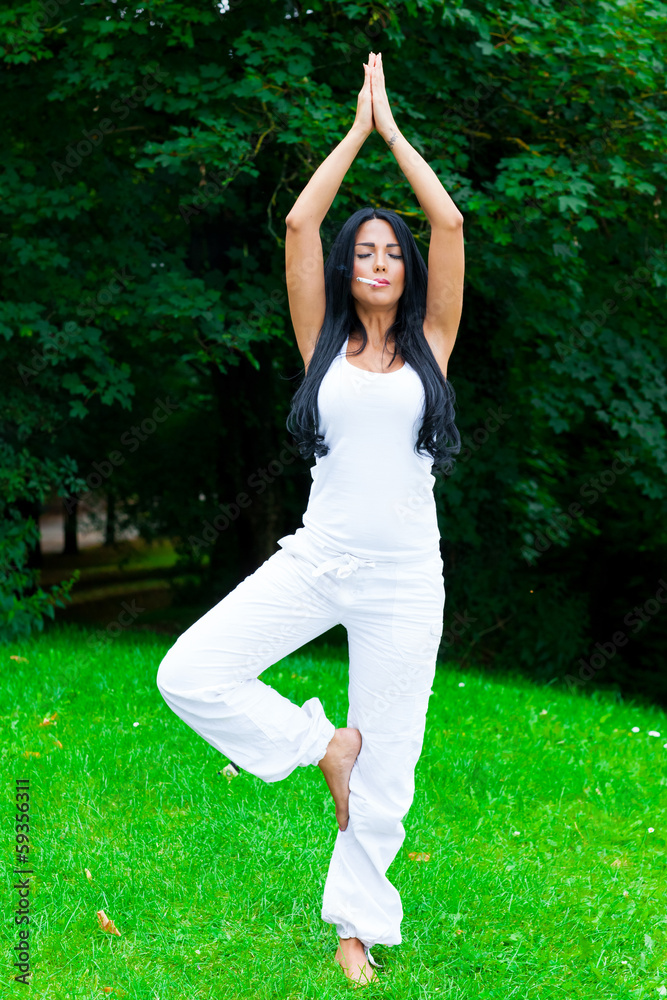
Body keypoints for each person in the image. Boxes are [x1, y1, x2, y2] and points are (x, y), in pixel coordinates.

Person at [156, 51, 464, 988]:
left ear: (408, 272)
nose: (379, 261)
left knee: (390, 767)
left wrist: (393, 133)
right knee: (189, 672)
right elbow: (298, 221)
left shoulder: (433, 346)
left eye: (391, 252)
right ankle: (319, 746)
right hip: (319, 559)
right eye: (363, 251)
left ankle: (355, 930)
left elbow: (448, 222)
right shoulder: (318, 345)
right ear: (345, 268)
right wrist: (354, 131)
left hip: (405, 581)